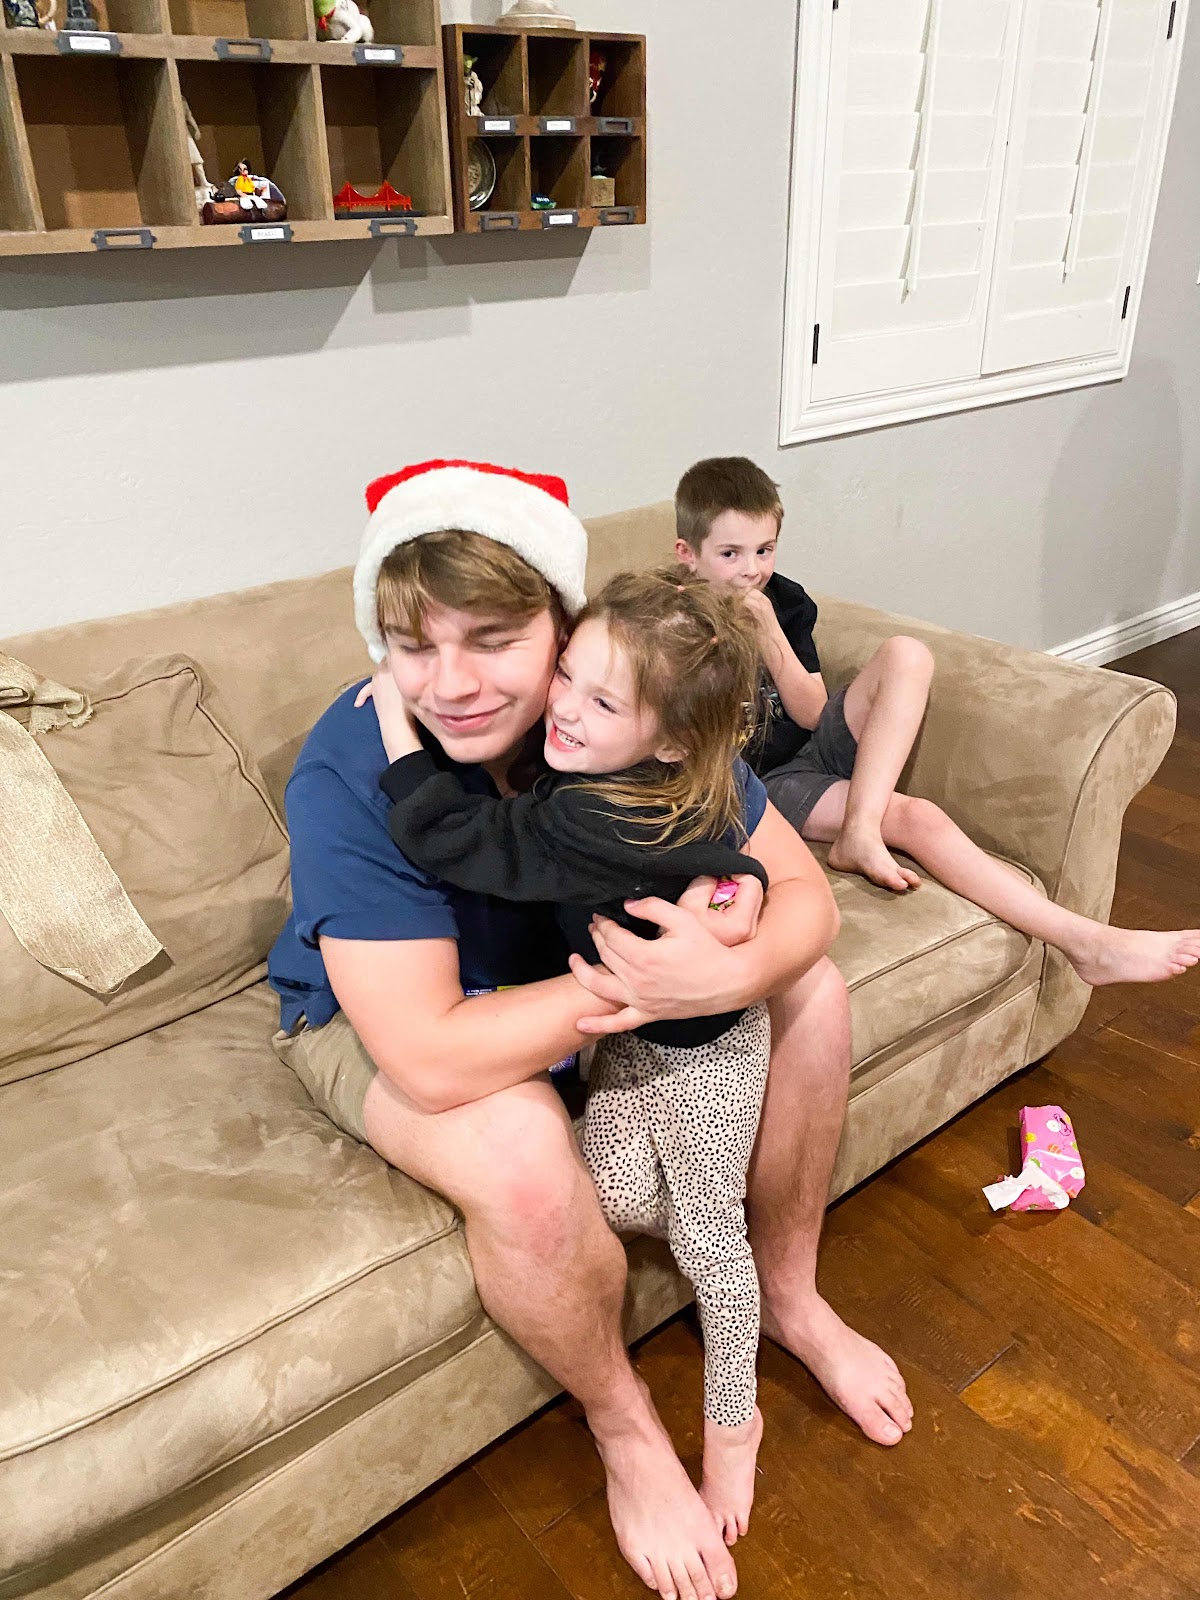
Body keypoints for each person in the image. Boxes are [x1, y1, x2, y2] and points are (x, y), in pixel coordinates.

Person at [268, 459, 911, 1600]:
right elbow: (429, 1054)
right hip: (390, 1014)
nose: (451, 684)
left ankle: (791, 1293)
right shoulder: (354, 768)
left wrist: (731, 960)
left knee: (813, 992)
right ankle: (626, 1428)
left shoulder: (625, 705)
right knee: (520, 1153)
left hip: (576, 986)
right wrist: (658, 983)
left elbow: (805, 901)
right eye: (412, 645)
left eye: (493, 640)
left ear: (564, 630)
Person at [361, 568, 776, 1543]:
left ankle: (734, 1423)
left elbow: (452, 837)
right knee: (615, 1196)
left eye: (604, 702)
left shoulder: (588, 814)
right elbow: (726, 852)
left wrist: (393, 719)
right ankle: (698, 1221)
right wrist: (742, 882)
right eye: (569, 678)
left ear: (669, 740)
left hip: (708, 1057)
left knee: (713, 1248)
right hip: (626, 1042)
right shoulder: (646, 774)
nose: (567, 710)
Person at [675, 455, 1200, 988]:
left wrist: (769, 633)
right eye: (730, 554)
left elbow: (811, 711)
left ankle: (861, 829)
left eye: (764, 550)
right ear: (688, 555)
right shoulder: (669, 623)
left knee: (908, 654)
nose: (751, 570)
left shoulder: (784, 601)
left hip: (808, 746)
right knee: (919, 817)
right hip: (761, 784)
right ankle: (1087, 944)